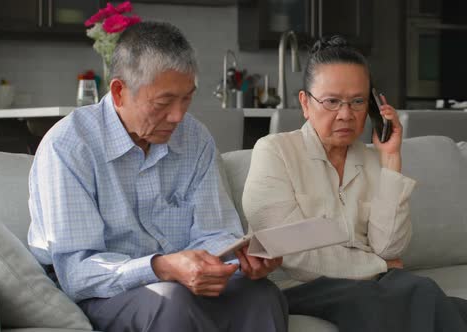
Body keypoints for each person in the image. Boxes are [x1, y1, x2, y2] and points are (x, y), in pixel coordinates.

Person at [27, 21, 287, 332]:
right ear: (120, 92)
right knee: (172, 302)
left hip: (179, 284)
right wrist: (161, 268)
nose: (178, 116)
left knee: (261, 295)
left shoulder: (195, 138)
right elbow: (78, 271)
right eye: (163, 103)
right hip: (99, 293)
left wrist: (237, 260)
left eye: (186, 99)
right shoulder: (69, 146)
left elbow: (214, 232)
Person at [242, 35, 467, 332]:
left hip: (373, 286)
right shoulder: (274, 151)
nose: (346, 114)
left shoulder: (373, 160)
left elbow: (389, 246)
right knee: (411, 293)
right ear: (305, 103)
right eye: (332, 101)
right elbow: (292, 256)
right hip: (296, 286)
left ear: (372, 105)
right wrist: (378, 265)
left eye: (358, 101)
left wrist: (390, 160)